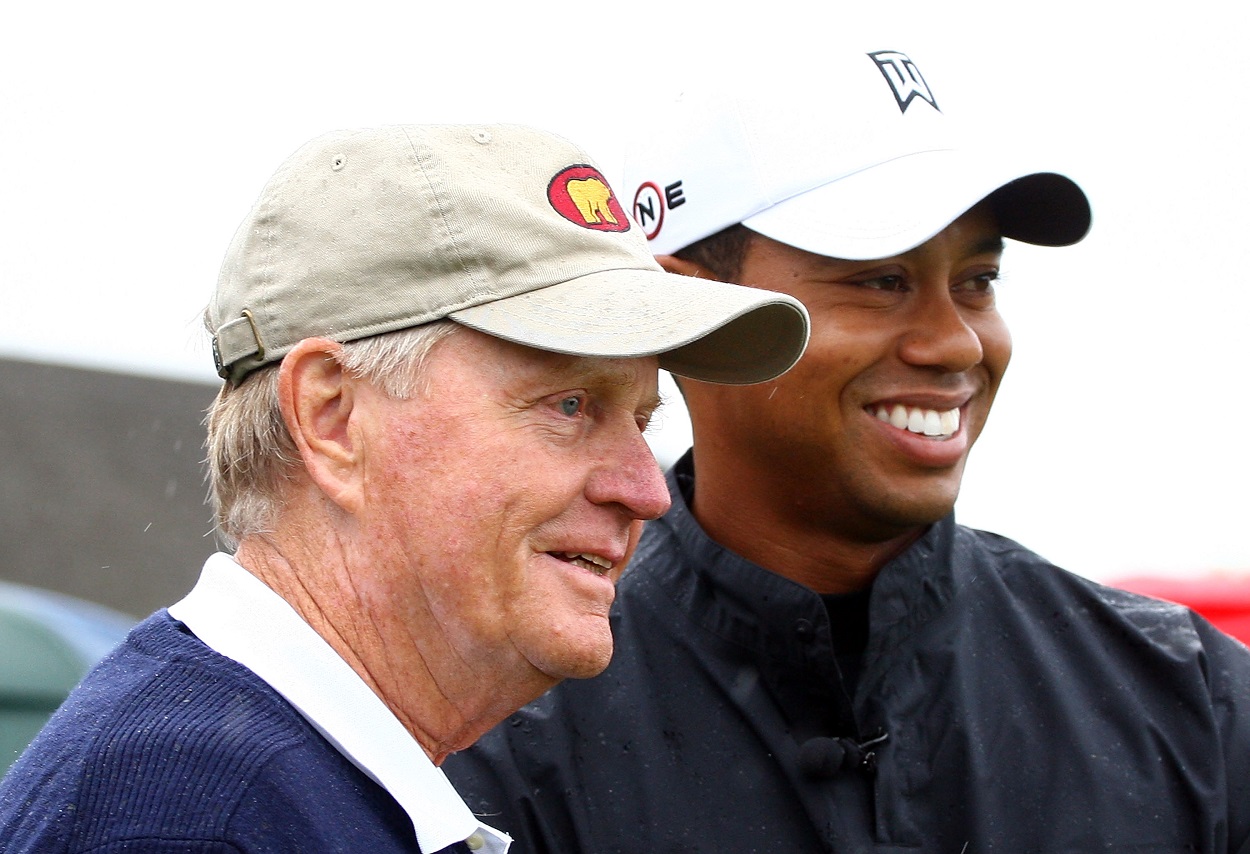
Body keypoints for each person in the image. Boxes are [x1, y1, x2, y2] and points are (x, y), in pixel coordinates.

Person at [444, 50, 1250, 852]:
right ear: (686, 312)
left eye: (978, 279)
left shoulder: (1192, 700)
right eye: (879, 280)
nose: (955, 342)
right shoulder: (491, 738)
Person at [0, 124, 809, 853]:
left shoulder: (262, 786)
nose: (647, 490)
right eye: (570, 405)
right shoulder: (190, 822)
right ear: (332, 417)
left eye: (642, 419)